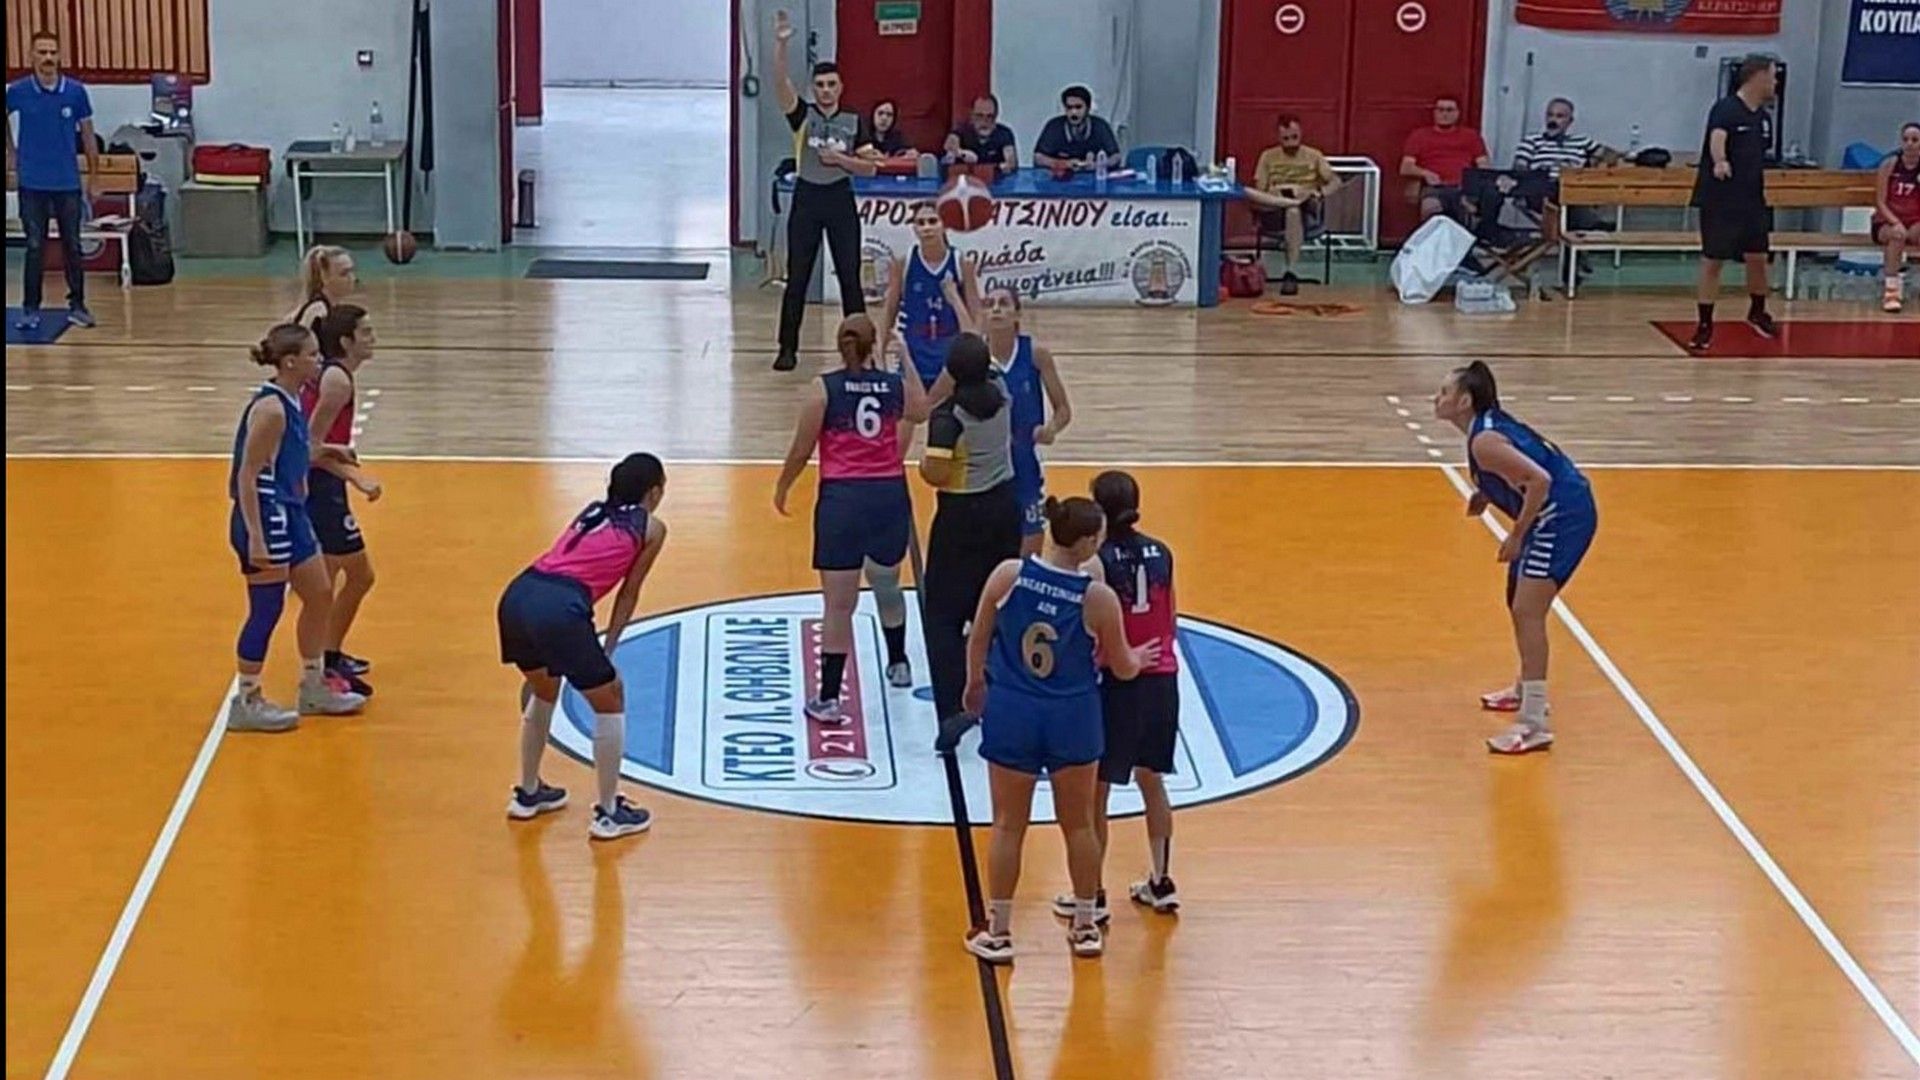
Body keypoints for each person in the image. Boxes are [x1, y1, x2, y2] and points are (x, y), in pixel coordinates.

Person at [961, 496, 1160, 963]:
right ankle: (1086, 926)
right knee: (1079, 824)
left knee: (1008, 824)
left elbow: (979, 637)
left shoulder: (1008, 576)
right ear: (1088, 542)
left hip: (1013, 709)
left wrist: (974, 685)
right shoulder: (1097, 598)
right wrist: (1138, 659)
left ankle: (999, 931)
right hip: (1073, 715)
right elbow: (1123, 667)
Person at [498, 453, 668, 840]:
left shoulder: (593, 510)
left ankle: (528, 793)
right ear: (654, 492)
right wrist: (610, 647)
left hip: (519, 594)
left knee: (544, 688)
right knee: (611, 697)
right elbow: (629, 593)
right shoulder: (652, 528)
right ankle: (609, 813)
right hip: (559, 606)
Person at [1433, 361, 1598, 755]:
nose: (1436, 398)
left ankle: (1534, 723)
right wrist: (1487, 493)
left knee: (1528, 610)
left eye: (1444, 392)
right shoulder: (1487, 427)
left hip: (1562, 518)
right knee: (1518, 601)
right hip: (1556, 513)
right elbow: (1520, 466)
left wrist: (1517, 535)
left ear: (1464, 401)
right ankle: (1526, 689)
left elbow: (1540, 480)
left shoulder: (1484, 441)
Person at [773, 315, 930, 713]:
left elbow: (802, 448)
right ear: (873, 344)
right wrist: (905, 357)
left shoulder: (824, 388)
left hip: (843, 500)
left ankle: (829, 698)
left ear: (840, 345)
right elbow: (922, 410)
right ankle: (899, 662)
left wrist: (783, 484)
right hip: (887, 497)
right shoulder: (893, 386)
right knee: (887, 584)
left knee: (839, 605)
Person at [226, 324, 367, 733]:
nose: (318, 361)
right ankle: (247, 698)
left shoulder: (292, 400)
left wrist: (332, 451)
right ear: (290, 362)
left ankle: (313, 685)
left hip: (293, 513)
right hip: (266, 514)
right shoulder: (270, 410)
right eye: (311, 355)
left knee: (320, 593)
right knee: (266, 608)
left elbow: (294, 452)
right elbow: (247, 475)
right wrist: (255, 535)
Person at [1066, 470, 1182, 920]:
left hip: (1118, 681)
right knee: (1153, 781)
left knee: (1097, 792)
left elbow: (1088, 628)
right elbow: (1170, 617)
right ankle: (1161, 880)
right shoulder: (1163, 552)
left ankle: (1093, 893)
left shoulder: (1097, 563)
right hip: (1162, 678)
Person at [920, 334, 1023, 749]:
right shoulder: (1002, 390)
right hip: (1005, 509)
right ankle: (1001, 693)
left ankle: (953, 710)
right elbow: (984, 359)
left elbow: (936, 474)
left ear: (951, 372)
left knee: (943, 617)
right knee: (997, 606)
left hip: (962, 516)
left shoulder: (947, 419)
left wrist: (922, 464)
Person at [771, 9, 877, 373]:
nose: (826, 90)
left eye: (832, 84)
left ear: (840, 87)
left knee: (850, 278)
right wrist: (781, 45)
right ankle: (787, 348)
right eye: (820, 85)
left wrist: (842, 160)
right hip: (807, 199)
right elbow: (780, 83)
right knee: (798, 278)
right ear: (814, 89)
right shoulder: (803, 115)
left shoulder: (854, 121)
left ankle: (861, 352)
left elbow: (870, 167)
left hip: (839, 199)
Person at [303, 304, 384, 696]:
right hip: (318, 488)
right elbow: (308, 448)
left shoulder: (336, 375)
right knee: (357, 576)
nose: (373, 338)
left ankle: (326, 657)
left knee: (334, 577)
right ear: (346, 341)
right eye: (365, 332)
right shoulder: (337, 382)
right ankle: (322, 663)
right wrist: (356, 477)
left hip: (322, 485)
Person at [6, 30, 100, 331]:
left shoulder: (75, 92)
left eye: (52, 52)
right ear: (31, 56)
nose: (47, 58)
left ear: (59, 56)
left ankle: (78, 305)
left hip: (67, 183)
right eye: (42, 52)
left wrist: (94, 177)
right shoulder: (18, 91)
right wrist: (11, 152)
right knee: (35, 245)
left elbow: (88, 135)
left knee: (73, 245)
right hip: (32, 182)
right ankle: (30, 308)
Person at [1689, 56, 1778, 351]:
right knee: (1713, 260)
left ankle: (1758, 311)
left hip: (1752, 200)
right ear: (1757, 77)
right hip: (1721, 200)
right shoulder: (1726, 109)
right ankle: (1704, 324)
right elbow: (1717, 138)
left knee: (1758, 257)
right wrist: (1721, 160)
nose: (1775, 82)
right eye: (1772, 76)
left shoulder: (1763, 118)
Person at [978, 287, 1071, 556]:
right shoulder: (975, 356)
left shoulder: (1035, 353)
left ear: (1017, 314)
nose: (996, 309)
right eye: (990, 304)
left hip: (1025, 459)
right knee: (989, 546)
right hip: (988, 461)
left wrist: (1051, 429)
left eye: (1003, 303)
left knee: (1029, 548)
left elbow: (1063, 409)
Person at [877, 201, 980, 389]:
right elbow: (889, 311)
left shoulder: (962, 263)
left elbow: (976, 316)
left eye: (933, 221)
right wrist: (879, 352)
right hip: (913, 359)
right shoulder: (904, 263)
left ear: (945, 225)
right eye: (921, 223)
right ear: (914, 228)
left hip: (951, 362)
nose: (927, 228)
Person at [1243, 114, 1342, 294]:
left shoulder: (1314, 155)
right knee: (1290, 207)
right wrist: (1277, 193)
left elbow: (1335, 181)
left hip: (1306, 209)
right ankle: (1291, 271)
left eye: (1294, 137)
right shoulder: (1268, 156)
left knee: (1294, 210)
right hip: (1274, 209)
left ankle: (1291, 271)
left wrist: (1319, 193)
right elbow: (1260, 190)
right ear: (1278, 138)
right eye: (1286, 139)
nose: (1290, 143)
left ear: (1301, 134)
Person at [1399, 95, 1490, 224]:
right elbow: (1406, 167)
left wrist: (1478, 189)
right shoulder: (1419, 136)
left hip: (1463, 188)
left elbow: (1483, 165)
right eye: (1440, 110)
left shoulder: (1470, 136)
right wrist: (1425, 173)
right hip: (1434, 188)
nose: (1444, 114)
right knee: (1431, 210)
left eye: (1449, 110)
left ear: (1457, 113)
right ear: (1434, 113)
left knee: (1469, 215)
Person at [1873, 122, 1920, 314]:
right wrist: (1896, 222)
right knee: (1897, 236)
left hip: (1914, 220)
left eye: (1915, 140)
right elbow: (1880, 201)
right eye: (1906, 139)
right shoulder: (1890, 164)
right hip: (1887, 220)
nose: (1909, 144)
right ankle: (1891, 291)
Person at [1032, 85, 1119, 174]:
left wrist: (1097, 165)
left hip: (1093, 176)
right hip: (1061, 178)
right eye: (1069, 107)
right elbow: (1038, 158)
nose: (1074, 112)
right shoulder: (1054, 126)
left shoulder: (1100, 126)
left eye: (1078, 107)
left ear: (1088, 108)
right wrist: (1064, 164)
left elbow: (1115, 157)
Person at [288, 245, 358, 332]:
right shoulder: (319, 312)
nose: (353, 278)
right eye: (344, 274)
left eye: (352, 271)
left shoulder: (328, 307)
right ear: (324, 277)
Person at [944, 95, 1018, 176]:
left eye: (989, 116)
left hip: (995, 179)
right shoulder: (962, 130)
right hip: (966, 178)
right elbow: (950, 144)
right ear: (972, 114)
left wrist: (1000, 168)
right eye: (979, 116)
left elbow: (1011, 162)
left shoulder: (1004, 134)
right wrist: (962, 154)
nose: (984, 121)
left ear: (996, 115)